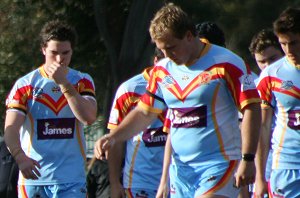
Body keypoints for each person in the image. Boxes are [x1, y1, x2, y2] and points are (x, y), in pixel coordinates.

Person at [94, 3, 261, 198]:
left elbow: (252, 109)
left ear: (189, 36)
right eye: (161, 49)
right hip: (180, 171)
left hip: (218, 165)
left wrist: (248, 159)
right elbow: (144, 112)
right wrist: (113, 137)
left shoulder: (227, 63)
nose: (166, 55)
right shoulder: (162, 70)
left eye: (171, 47)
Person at [4, 19, 97, 198]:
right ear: (43, 49)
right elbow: (11, 129)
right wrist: (19, 156)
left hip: (71, 178)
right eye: (54, 53)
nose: (60, 59)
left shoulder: (82, 81)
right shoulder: (26, 84)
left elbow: (88, 117)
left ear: (72, 51)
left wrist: (63, 82)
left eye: (65, 53)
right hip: (35, 179)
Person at [106, 47, 167, 198]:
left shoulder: (185, 85)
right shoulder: (130, 89)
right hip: (140, 182)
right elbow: (116, 139)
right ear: (155, 61)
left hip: (179, 180)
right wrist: (114, 182)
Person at [255, 7, 300, 198]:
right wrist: (259, 177)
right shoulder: (271, 75)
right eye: (283, 44)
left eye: (294, 43)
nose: (288, 50)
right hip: (286, 166)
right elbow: (262, 126)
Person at [248, 29, 284, 198]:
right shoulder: (254, 87)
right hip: (266, 163)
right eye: (262, 61)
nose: (268, 66)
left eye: (273, 59)